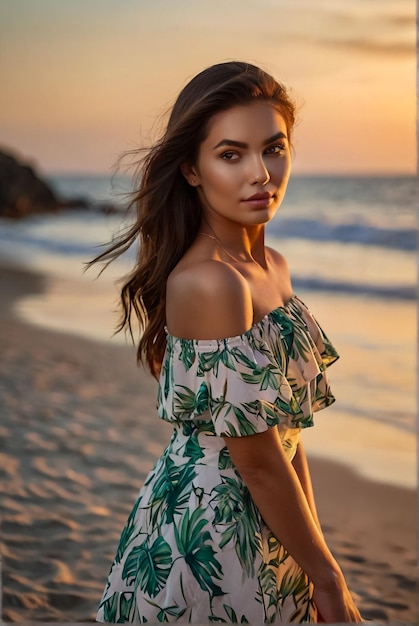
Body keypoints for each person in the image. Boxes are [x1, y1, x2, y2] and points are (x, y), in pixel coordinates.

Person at [92, 61, 363, 623]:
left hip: (275, 526)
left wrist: (313, 553)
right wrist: (330, 578)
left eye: (275, 148)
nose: (261, 173)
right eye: (231, 154)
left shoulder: (273, 269)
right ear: (192, 169)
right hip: (208, 537)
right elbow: (257, 460)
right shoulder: (211, 282)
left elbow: (288, 436)